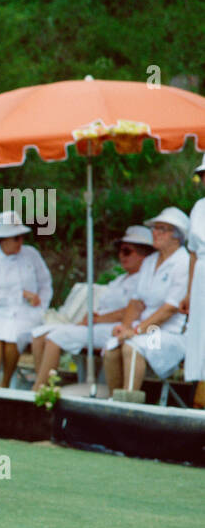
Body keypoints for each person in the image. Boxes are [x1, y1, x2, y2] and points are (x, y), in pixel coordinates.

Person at [29, 227, 154, 387]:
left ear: (144, 255)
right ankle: (42, 384)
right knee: (39, 334)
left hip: (115, 329)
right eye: (120, 251)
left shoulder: (142, 281)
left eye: (127, 251)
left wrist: (96, 319)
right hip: (99, 325)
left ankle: (41, 389)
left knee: (55, 338)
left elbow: (132, 311)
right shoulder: (120, 279)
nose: (121, 256)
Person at [104, 208, 190, 394]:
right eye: (154, 228)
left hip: (169, 333)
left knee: (132, 347)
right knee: (112, 348)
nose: (155, 233)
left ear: (176, 236)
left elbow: (170, 309)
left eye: (161, 229)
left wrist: (136, 331)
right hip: (143, 328)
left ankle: (128, 401)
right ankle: (113, 402)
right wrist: (126, 328)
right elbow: (136, 302)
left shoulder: (184, 262)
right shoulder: (150, 261)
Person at [0, 213, 52, 388]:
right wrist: (21, 294)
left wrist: (41, 308)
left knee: (12, 338)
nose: (20, 242)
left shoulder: (31, 254)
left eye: (21, 237)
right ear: (3, 240)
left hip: (28, 313)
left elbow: (45, 283)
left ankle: (5, 384)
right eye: (16, 238)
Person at [183, 158, 205, 401]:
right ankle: (200, 394)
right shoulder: (199, 207)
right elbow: (192, 252)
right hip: (200, 276)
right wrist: (189, 292)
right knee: (200, 333)